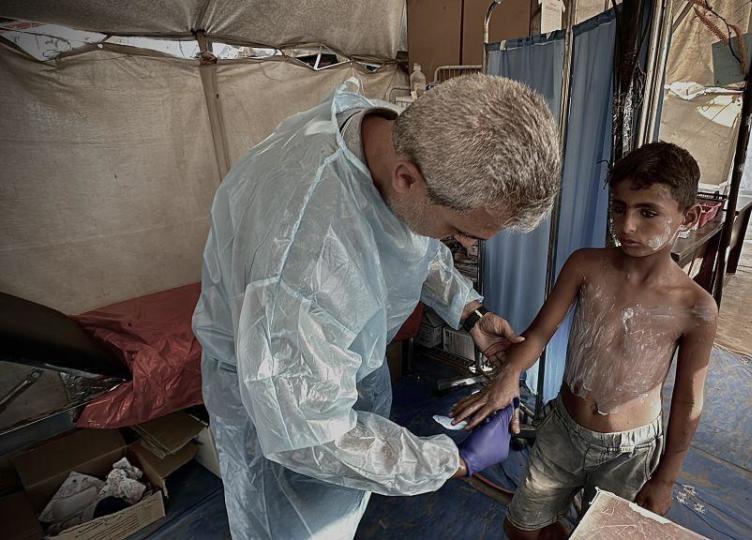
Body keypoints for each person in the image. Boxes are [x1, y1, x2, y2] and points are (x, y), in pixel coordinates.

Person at [192, 74, 562, 539]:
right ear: (407, 178)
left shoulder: (395, 137)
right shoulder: (304, 259)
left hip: (335, 365)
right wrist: (454, 462)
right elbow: (312, 436)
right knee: (300, 528)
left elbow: (411, 242)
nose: (466, 246)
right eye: (464, 231)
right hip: (277, 403)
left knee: (344, 505)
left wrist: (469, 313)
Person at [452, 142, 718, 539]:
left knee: (601, 532)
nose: (626, 226)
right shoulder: (586, 265)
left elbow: (687, 402)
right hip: (563, 430)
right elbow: (541, 331)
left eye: (648, 212)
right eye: (619, 207)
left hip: (630, 451)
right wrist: (509, 374)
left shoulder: (695, 307)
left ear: (688, 216)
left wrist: (666, 477)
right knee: (522, 527)